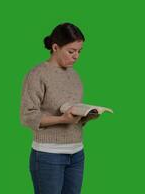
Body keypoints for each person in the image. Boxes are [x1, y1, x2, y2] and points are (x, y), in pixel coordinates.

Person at [20, 22, 98, 194]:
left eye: (79, 51)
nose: (76, 56)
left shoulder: (75, 76)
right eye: (71, 51)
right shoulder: (37, 74)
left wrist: (85, 117)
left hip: (77, 153)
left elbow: (71, 114)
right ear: (55, 47)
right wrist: (62, 119)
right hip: (49, 155)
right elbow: (27, 116)